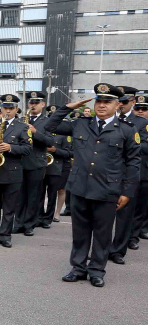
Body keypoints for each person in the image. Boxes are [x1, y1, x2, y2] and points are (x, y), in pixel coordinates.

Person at [43, 84, 139, 287]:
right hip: (79, 186)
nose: (102, 105)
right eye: (99, 101)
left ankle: (96, 270)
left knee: (103, 234)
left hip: (108, 190)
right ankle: (78, 267)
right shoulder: (80, 124)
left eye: (107, 102)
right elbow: (49, 126)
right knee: (80, 232)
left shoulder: (126, 130)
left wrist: (127, 192)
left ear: (118, 105)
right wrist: (68, 107)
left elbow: (133, 163)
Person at [0, 94, 31, 248]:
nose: (7, 110)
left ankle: (5, 235)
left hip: (12, 172)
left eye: (11, 108)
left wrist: (11, 147)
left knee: (9, 207)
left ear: (16, 109)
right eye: (5, 107)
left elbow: (28, 149)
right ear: (1, 108)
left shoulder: (23, 127)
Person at [109, 86, 146, 263]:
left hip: (127, 174)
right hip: (107, 174)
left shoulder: (140, 122)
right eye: (119, 102)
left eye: (124, 102)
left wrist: (128, 145)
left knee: (125, 215)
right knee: (103, 216)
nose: (121, 105)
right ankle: (101, 248)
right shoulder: (106, 118)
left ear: (133, 101)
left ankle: (117, 250)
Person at [15, 91, 51, 236]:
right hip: (20, 161)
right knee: (19, 195)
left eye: (36, 103)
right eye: (31, 103)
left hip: (36, 163)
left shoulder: (47, 121)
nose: (33, 105)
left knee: (33, 195)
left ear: (43, 105)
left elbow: (50, 141)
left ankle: (29, 224)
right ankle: (18, 223)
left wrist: (35, 132)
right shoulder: (21, 120)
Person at [39, 106, 72, 228]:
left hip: (56, 168)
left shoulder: (64, 134)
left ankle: (48, 219)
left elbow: (70, 153)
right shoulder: (43, 131)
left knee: (52, 195)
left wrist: (55, 150)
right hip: (42, 166)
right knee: (40, 194)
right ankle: (39, 216)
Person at [131, 93, 148, 242]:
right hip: (130, 171)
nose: (141, 111)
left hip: (145, 171)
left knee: (142, 206)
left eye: (144, 109)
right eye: (138, 108)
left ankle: (135, 235)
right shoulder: (129, 123)